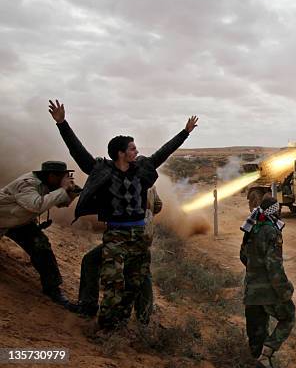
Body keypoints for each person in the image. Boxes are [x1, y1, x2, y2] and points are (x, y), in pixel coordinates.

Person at [48, 99, 198, 329]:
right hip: (116, 235)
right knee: (112, 282)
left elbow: (163, 152)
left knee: (135, 282)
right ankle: (106, 327)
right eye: (132, 148)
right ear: (120, 153)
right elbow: (77, 152)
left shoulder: (142, 169)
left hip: (139, 235)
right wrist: (62, 124)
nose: (136, 151)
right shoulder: (102, 170)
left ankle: (125, 322)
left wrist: (184, 133)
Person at [76, 186, 162, 322]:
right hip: (143, 236)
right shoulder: (148, 181)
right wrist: (148, 213)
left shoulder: (123, 180)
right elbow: (158, 205)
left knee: (91, 261)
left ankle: (89, 307)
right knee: (142, 273)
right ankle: (144, 316)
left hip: (124, 237)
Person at [0, 161, 80, 308]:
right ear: (51, 176)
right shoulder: (27, 184)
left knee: (41, 247)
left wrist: (72, 192)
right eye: (63, 176)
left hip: (19, 223)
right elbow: (36, 205)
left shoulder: (49, 184)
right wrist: (63, 189)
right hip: (3, 219)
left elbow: (61, 203)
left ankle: (52, 289)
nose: (66, 178)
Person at [240, 197, 296, 368]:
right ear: (274, 211)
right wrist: (284, 290)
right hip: (268, 291)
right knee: (288, 317)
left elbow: (243, 256)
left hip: (251, 291)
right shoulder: (272, 232)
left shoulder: (252, 229)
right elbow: (274, 266)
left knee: (256, 334)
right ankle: (267, 354)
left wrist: (255, 270)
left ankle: (256, 359)